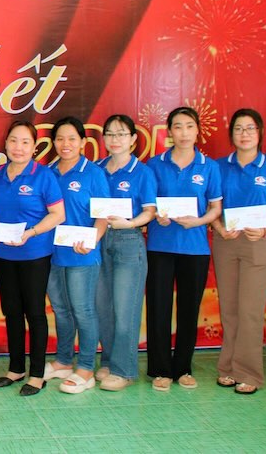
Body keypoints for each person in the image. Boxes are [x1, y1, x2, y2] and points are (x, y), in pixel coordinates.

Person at [210, 109, 266, 394]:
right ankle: (228, 368)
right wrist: (219, 229)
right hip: (226, 242)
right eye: (238, 129)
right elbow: (213, 207)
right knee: (230, 309)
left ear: (260, 133)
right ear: (231, 134)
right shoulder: (219, 167)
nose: (244, 134)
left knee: (251, 311)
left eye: (250, 128)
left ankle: (249, 372)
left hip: (259, 242)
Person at [0, 120, 65, 397]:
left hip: (34, 253)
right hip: (2, 252)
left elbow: (58, 215)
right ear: (5, 144)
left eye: (25, 142)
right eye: (13, 141)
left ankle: (38, 373)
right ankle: (16, 367)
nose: (18, 147)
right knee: (11, 311)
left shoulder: (43, 176)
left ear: (34, 147)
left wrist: (31, 233)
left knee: (34, 312)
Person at [145, 106, 222, 391]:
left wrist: (199, 221)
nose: (184, 132)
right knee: (159, 308)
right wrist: (157, 215)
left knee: (189, 309)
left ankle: (184, 368)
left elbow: (216, 208)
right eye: (178, 126)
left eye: (189, 126)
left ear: (198, 130)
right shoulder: (155, 165)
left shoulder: (209, 166)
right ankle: (160, 370)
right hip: (160, 246)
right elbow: (148, 206)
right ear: (170, 132)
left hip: (195, 247)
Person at [44, 117, 109, 394]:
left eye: (72, 138)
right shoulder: (47, 171)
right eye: (60, 138)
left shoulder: (93, 173)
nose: (65, 144)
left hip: (83, 255)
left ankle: (85, 368)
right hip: (51, 253)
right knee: (60, 309)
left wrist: (92, 240)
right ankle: (63, 361)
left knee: (83, 310)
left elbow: (103, 215)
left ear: (83, 142)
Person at [95, 115, 157, 391]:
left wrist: (129, 223)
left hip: (128, 241)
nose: (115, 139)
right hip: (99, 241)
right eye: (110, 134)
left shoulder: (142, 172)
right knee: (103, 308)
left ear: (133, 139)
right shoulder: (96, 169)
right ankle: (108, 361)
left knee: (125, 309)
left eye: (121, 134)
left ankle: (124, 369)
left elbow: (150, 211)